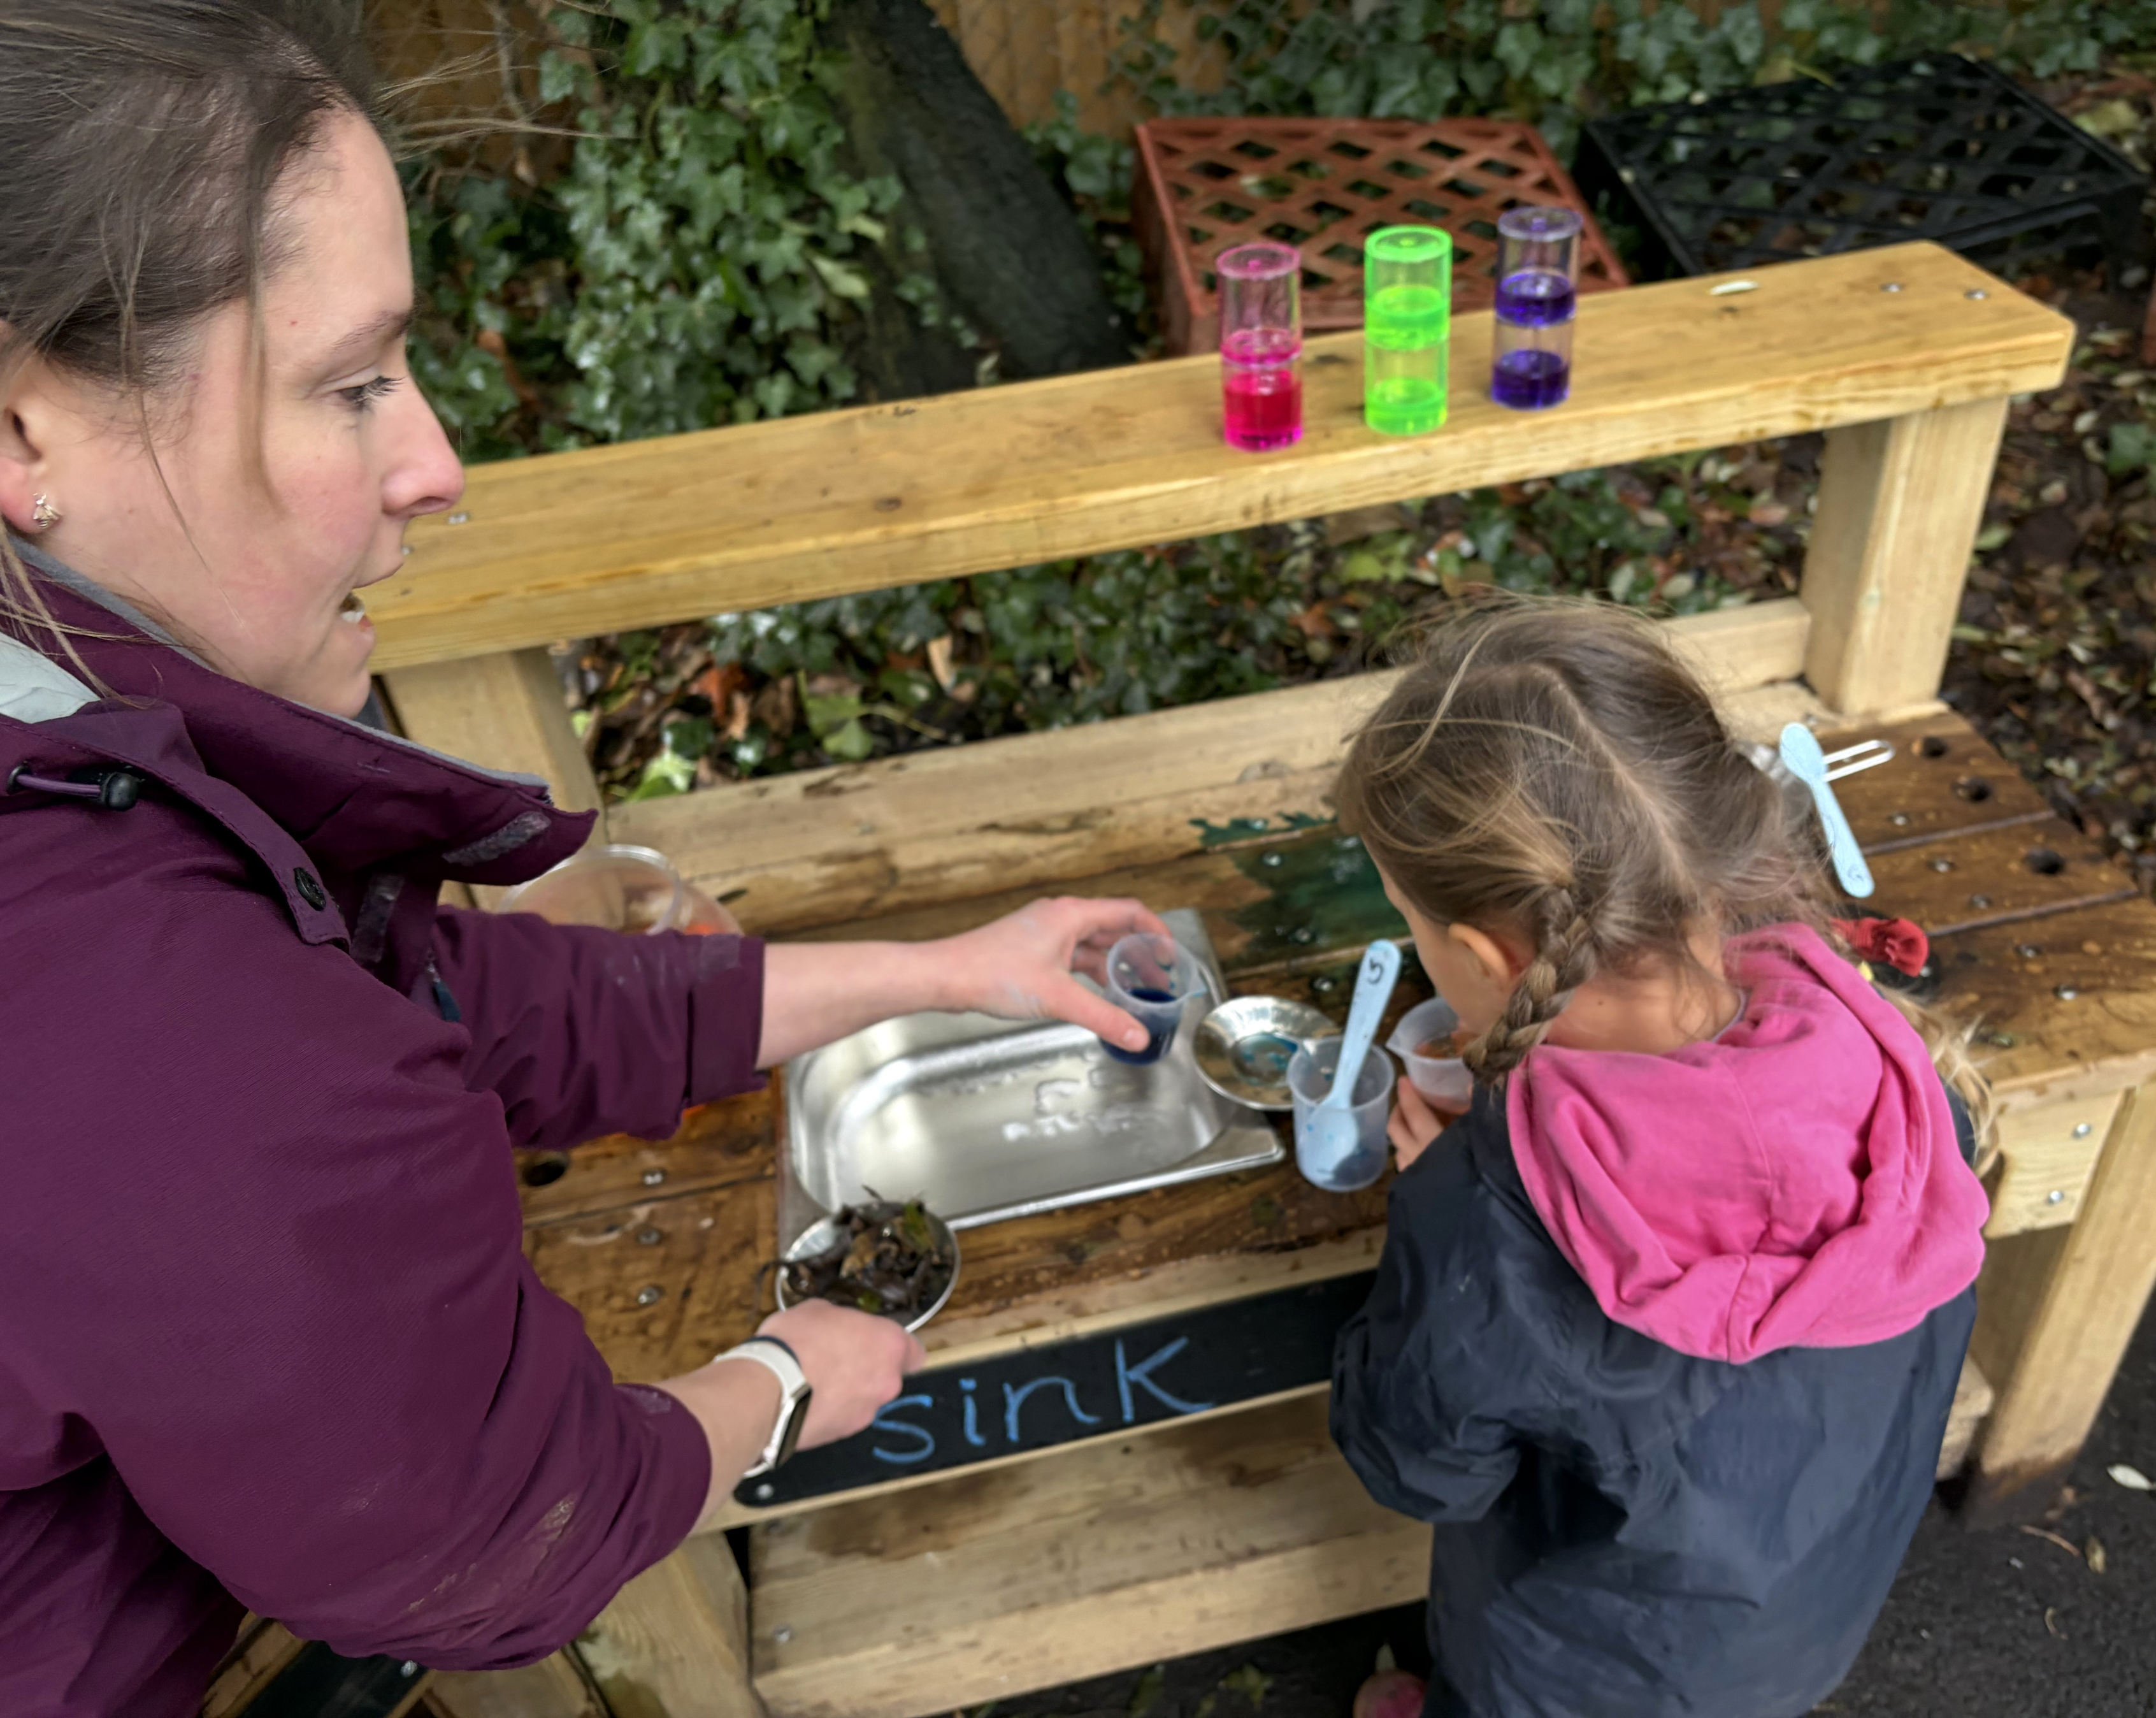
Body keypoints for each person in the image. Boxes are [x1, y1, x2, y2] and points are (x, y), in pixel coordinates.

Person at [0, 6, 1168, 1715]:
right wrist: (784, 1380)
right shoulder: (146, 1000)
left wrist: (947, 970)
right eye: (350, 383)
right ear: (26, 428)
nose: (435, 466)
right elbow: (483, 1535)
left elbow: (427, 1000)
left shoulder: (87, 783)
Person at [1326, 598, 1992, 1718]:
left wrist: (1454, 1197)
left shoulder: (1482, 1218)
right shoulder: (1904, 1081)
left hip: (1573, 1668)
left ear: (1488, 958)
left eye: (1413, 926)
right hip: (1806, 1616)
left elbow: (1420, 1469)